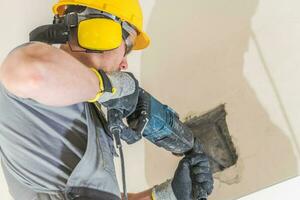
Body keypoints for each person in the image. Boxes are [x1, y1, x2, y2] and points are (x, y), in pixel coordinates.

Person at [0, 0, 213, 199]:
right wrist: (115, 87)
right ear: (100, 32)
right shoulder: (32, 73)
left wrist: (169, 194)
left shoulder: (87, 107)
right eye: (126, 49)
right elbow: (32, 72)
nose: (124, 65)